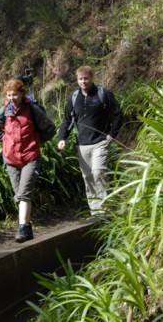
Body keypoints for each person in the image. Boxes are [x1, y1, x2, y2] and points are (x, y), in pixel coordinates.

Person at [0, 79, 56, 243]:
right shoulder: (5, 110)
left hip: (30, 157)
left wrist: (37, 140)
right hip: (11, 159)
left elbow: (50, 128)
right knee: (19, 195)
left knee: (24, 193)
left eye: (15, 94)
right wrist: (4, 139)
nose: (12, 98)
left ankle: (23, 228)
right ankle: (27, 227)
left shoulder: (32, 109)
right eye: (9, 95)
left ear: (21, 94)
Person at [58, 65, 123, 215]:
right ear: (77, 80)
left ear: (91, 78)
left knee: (98, 171)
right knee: (87, 177)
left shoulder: (102, 93)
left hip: (100, 141)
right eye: (80, 79)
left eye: (86, 78)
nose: (83, 82)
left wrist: (112, 134)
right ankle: (95, 211)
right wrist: (62, 138)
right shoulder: (74, 98)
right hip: (82, 145)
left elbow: (118, 113)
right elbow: (67, 120)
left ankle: (105, 210)